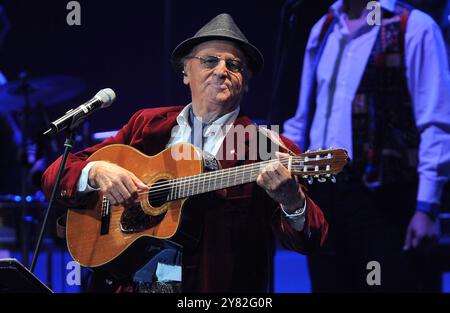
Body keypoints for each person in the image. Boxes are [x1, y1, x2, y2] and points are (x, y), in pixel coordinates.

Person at [41, 13, 328, 293]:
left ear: (246, 81)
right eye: (209, 60)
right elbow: (55, 175)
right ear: (185, 74)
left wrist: (293, 201)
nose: (221, 70)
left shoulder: (265, 145)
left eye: (234, 64)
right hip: (128, 281)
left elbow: (311, 239)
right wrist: (96, 172)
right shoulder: (148, 125)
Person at [283, 0, 450, 292]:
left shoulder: (413, 27)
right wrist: (288, 173)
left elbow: (435, 122)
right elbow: (303, 115)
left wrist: (427, 207)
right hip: (323, 194)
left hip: (385, 196)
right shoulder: (323, 29)